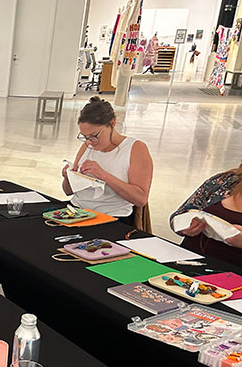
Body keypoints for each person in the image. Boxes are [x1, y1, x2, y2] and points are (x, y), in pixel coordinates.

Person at [61, 96, 153, 226]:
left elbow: (140, 199)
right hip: (77, 211)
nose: (90, 142)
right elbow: (68, 191)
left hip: (113, 217)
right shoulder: (87, 145)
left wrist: (103, 175)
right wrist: (68, 177)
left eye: (94, 136)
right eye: (85, 137)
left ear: (112, 123)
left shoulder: (135, 149)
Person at [175, 166, 242, 265]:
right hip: (186, 261)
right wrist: (184, 226)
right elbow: (179, 214)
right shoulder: (224, 180)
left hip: (232, 274)